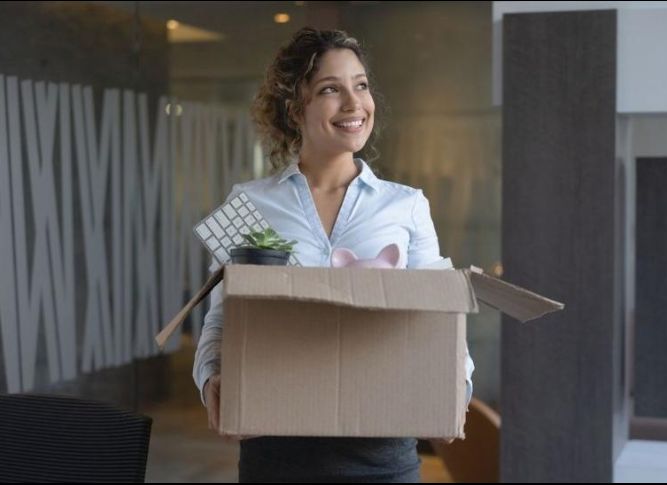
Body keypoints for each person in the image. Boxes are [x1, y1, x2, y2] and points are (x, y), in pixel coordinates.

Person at [193, 27, 475, 483]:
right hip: (276, 456)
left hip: (382, 459)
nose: (353, 104)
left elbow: (442, 314)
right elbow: (223, 317)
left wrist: (456, 384)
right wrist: (211, 377)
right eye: (330, 89)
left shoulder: (404, 206)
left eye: (360, 85)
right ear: (293, 107)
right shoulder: (250, 206)